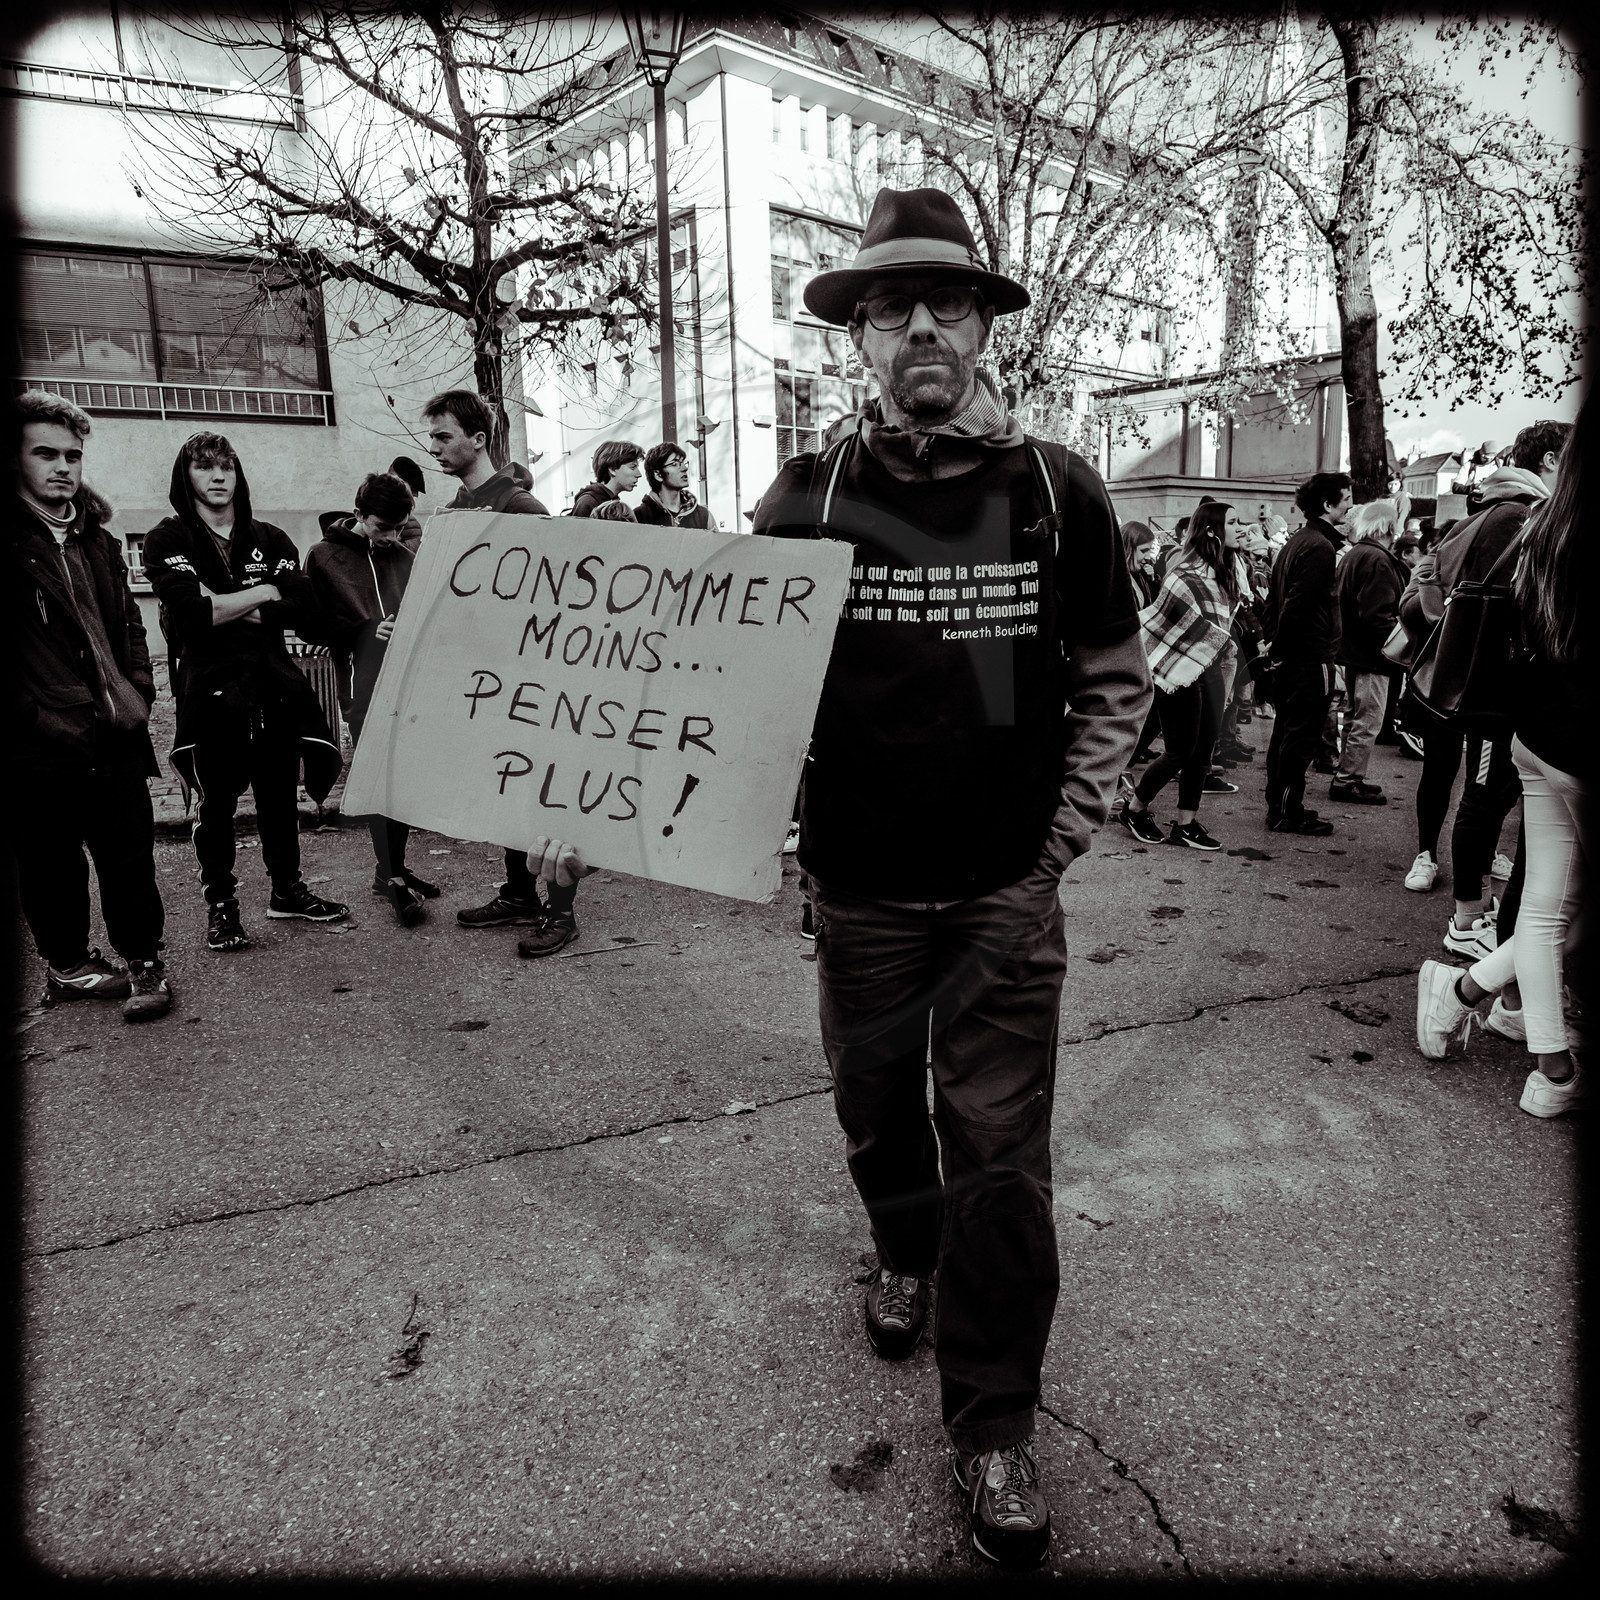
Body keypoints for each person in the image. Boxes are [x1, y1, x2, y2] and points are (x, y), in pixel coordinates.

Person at [753, 186, 1148, 1566]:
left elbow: (1111, 677)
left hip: (1003, 897)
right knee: (878, 1118)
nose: (919, 326)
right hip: (859, 893)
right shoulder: (803, 500)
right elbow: (743, 689)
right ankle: (900, 1251)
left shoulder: (1055, 488)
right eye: (887, 308)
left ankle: (993, 1427)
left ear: (983, 328)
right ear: (854, 339)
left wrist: (1063, 836)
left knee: (1002, 1166)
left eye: (948, 303)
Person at [1414, 400, 1590, 1117]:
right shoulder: (1534, 525)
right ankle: (1481, 1001)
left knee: (1550, 910)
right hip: (1564, 742)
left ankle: (1523, 1043)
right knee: (1557, 911)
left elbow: (1431, 594)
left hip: (1536, 732)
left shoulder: (1537, 530)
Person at [144, 433, 347, 951]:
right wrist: (262, 593)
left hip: (274, 687)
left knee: (279, 796)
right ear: (184, 476)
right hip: (211, 692)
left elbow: (303, 612)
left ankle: (288, 891)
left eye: (226, 467)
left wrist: (226, 602)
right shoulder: (167, 540)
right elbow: (191, 615)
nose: (217, 476)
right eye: (204, 466)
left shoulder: (271, 538)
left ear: (237, 474)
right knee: (215, 807)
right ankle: (222, 906)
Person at [6, 391, 172, 1021]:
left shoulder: (96, 539)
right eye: (44, 453)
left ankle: (144, 960)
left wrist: (139, 688)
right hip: (38, 743)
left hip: (115, 732)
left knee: (130, 856)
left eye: (72, 455)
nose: (62, 467)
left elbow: (130, 623)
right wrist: (37, 721)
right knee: (50, 867)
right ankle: (69, 966)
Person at [1396, 421, 1570, 948]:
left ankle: (1472, 908)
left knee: (1485, 790)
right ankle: (1468, 920)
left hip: (1479, 678)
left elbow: (1432, 576)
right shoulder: (1520, 515)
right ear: (1549, 462)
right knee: (1484, 793)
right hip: (1494, 685)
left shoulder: (1491, 510)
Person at [423, 390, 582, 958]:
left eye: (444, 436)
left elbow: (564, 603)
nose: (434, 446)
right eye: (434, 436)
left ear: (479, 439)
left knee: (547, 799)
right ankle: (519, 893)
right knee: (507, 790)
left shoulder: (521, 510)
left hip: (534, 685)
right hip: (487, 684)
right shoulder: (451, 516)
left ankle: (561, 912)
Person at [304, 471, 434, 926]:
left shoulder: (401, 552)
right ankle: (392, 877)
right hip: (362, 689)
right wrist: (362, 632)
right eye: (384, 527)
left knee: (403, 783)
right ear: (358, 515)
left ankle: (391, 869)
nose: (393, 537)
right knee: (382, 780)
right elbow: (309, 625)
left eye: (400, 527)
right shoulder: (323, 557)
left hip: (410, 686)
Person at [1119, 501, 1243, 851]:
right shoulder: (1183, 573)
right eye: (1232, 522)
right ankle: (1135, 809)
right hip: (1176, 668)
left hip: (1209, 665)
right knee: (1179, 751)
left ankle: (1186, 824)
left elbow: (1221, 625)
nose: (1240, 528)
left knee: (1203, 751)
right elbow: (1164, 625)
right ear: (1211, 531)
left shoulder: (1223, 570)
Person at [1259, 470, 1351, 835]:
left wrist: (1275, 646)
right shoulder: (1318, 546)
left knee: (1287, 732)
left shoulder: (1300, 541)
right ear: (1328, 505)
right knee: (1299, 737)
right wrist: (1278, 647)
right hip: (1309, 659)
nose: (1350, 506)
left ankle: (1283, 806)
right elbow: (1295, 605)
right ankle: (1285, 811)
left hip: (1298, 656)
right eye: (1345, 500)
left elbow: (1274, 602)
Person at [1330, 494, 1410, 804]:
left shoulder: (1355, 553)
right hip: (1373, 656)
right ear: (1389, 527)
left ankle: (1346, 773)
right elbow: (1377, 615)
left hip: (1354, 652)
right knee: (1368, 719)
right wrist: (1397, 642)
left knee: (1354, 716)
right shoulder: (1376, 559)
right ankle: (1348, 780)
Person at [634, 442, 720, 529]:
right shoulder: (639, 517)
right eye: (674, 464)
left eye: (683, 462)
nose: (684, 468)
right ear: (658, 475)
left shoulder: (704, 516)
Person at [568, 441, 643, 518]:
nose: (639, 474)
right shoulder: (588, 502)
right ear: (612, 469)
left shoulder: (610, 500)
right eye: (633, 467)